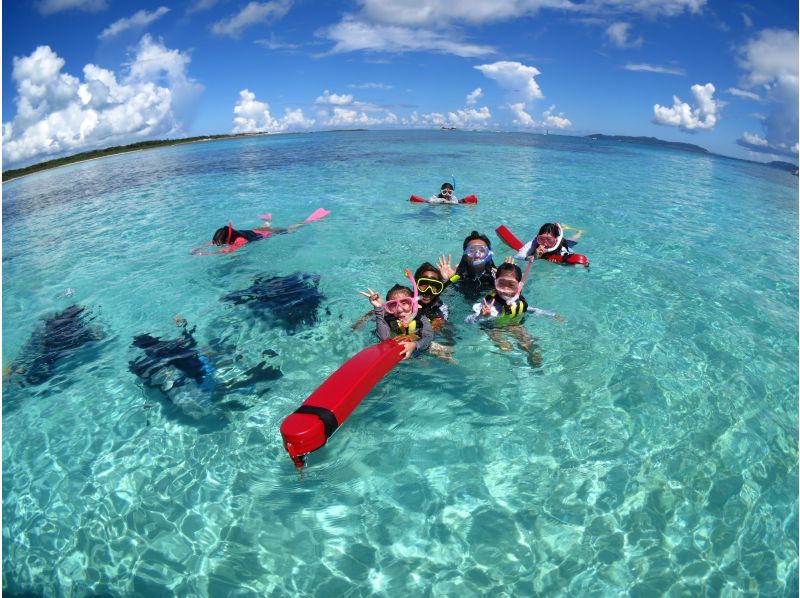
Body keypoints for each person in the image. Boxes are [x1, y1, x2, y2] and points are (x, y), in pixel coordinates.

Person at [466, 260, 562, 367]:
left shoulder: (517, 300)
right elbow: (468, 320)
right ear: (495, 283)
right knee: (506, 347)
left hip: (514, 325)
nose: (505, 290)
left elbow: (532, 309)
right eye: (501, 284)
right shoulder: (490, 304)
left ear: (519, 286)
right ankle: (515, 365)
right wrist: (481, 316)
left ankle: (534, 361)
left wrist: (551, 314)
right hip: (494, 328)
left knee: (529, 343)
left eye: (511, 285)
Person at [191, 208, 329, 255]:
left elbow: (227, 251)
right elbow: (214, 242)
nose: (217, 244)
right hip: (255, 231)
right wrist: (198, 248)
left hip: (267, 234)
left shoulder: (240, 240)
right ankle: (268, 220)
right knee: (262, 227)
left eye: (219, 243)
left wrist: (205, 254)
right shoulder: (231, 233)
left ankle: (307, 221)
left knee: (289, 230)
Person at [359, 281, 433, 360]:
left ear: (413, 303)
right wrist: (378, 309)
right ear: (388, 308)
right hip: (394, 347)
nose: (400, 309)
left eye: (404, 303)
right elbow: (384, 338)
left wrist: (415, 345)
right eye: (394, 305)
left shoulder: (421, 319)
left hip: (418, 346)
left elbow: (428, 337)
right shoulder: (388, 320)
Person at [437, 231, 497, 300]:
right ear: (465, 256)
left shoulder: (496, 275)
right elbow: (444, 297)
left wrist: (505, 279)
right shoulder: (458, 275)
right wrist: (447, 281)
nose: (477, 254)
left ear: (489, 254)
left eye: (482, 250)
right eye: (471, 250)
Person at [515, 222, 587, 265]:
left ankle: (579, 233)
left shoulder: (561, 247)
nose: (545, 243)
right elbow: (517, 256)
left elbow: (567, 258)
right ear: (537, 237)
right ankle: (562, 228)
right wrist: (532, 257)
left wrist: (559, 260)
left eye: (549, 240)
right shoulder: (534, 242)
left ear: (555, 240)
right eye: (542, 239)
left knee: (570, 241)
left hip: (564, 244)